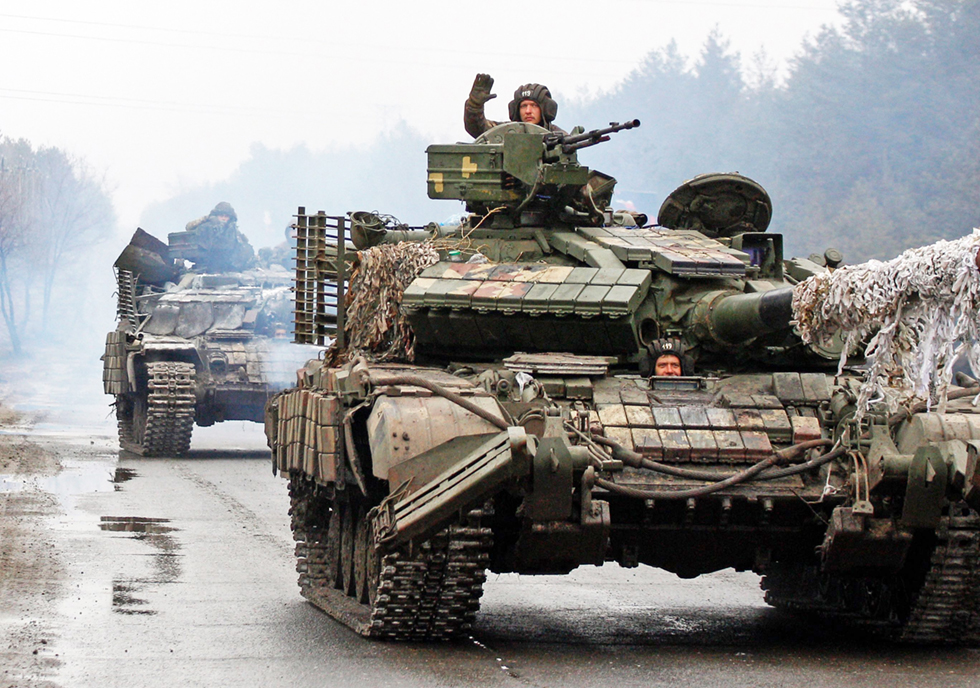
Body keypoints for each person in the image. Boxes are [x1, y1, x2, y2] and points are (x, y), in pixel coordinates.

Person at [464, 73, 565, 139]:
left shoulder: (558, 135)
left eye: (534, 106)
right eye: (523, 106)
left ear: (545, 109)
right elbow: (478, 128)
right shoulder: (507, 131)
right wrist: (474, 105)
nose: (528, 111)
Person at [182, 202, 256, 273]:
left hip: (228, 268)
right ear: (216, 216)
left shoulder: (233, 231)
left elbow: (242, 247)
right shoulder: (205, 228)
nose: (223, 218)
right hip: (207, 267)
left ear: (230, 217)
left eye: (226, 216)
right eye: (221, 216)